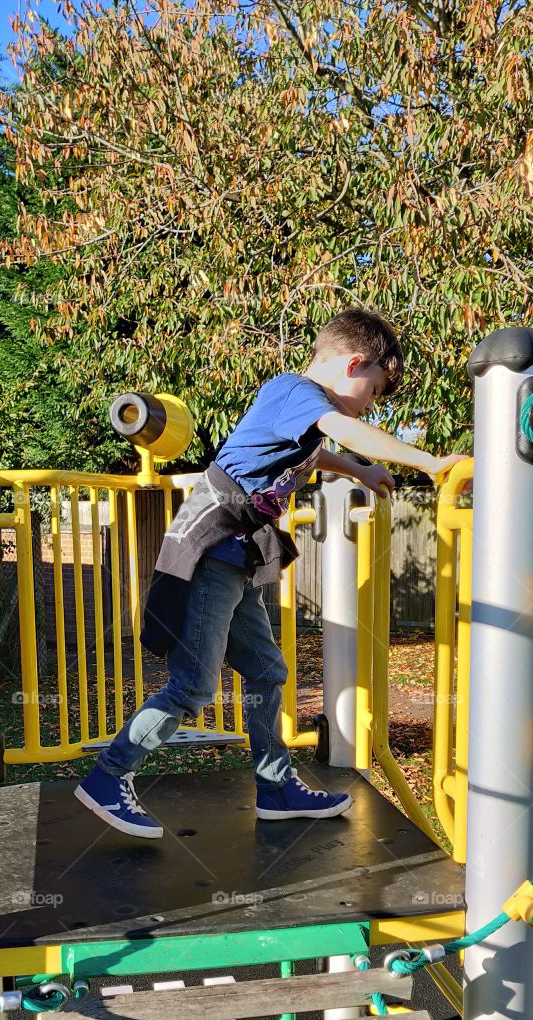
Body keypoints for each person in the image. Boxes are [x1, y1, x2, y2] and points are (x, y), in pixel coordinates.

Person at [75, 307, 465, 838]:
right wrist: (428, 462)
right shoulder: (294, 391)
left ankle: (276, 788)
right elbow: (343, 431)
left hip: (238, 560)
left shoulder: (300, 415)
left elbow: (313, 456)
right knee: (192, 687)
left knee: (266, 672)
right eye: (373, 391)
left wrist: (360, 470)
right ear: (354, 364)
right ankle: (107, 777)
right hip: (213, 549)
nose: (371, 404)